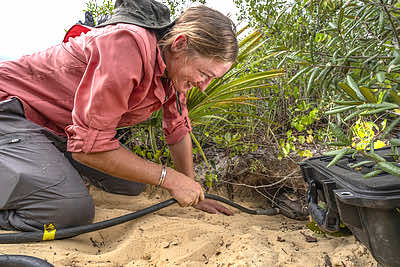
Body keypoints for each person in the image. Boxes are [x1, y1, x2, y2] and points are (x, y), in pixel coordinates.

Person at [0, 0, 238, 232]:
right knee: (69, 210)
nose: (203, 86)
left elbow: (177, 129)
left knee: (131, 185)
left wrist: (192, 188)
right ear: (179, 44)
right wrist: (169, 178)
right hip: (12, 109)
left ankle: (40, 170)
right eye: (203, 74)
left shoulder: (175, 72)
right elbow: (88, 150)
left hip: (56, 127)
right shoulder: (127, 45)